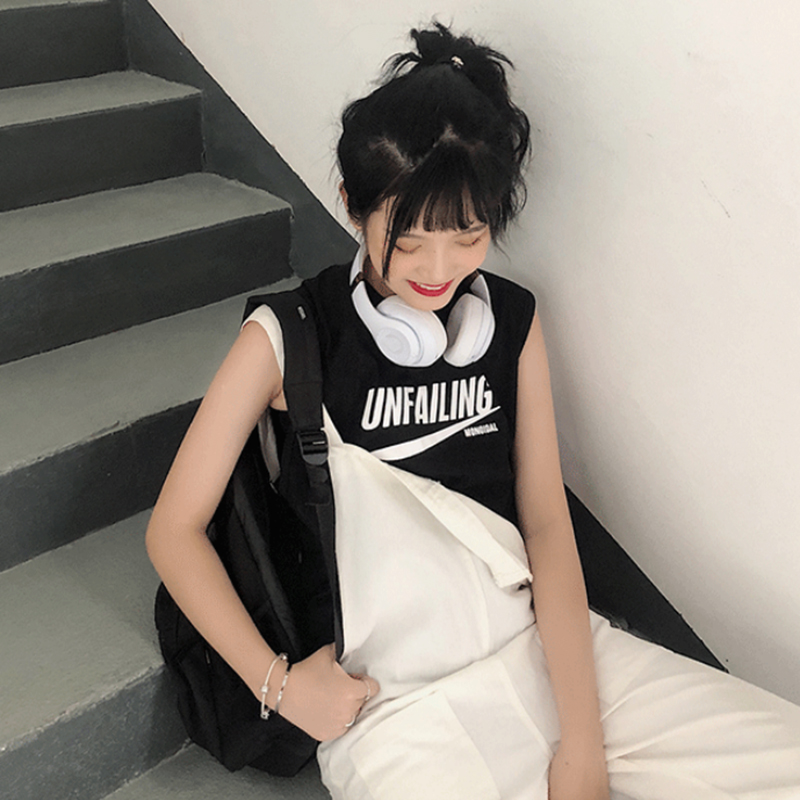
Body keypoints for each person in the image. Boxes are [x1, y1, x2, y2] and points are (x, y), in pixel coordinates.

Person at [146, 23, 800, 800]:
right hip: (397, 711)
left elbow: (546, 523)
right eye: (409, 240)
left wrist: (582, 743)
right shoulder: (290, 335)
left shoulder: (512, 323)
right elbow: (173, 530)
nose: (438, 269)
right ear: (354, 205)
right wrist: (280, 686)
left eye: (468, 236)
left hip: (547, 653)